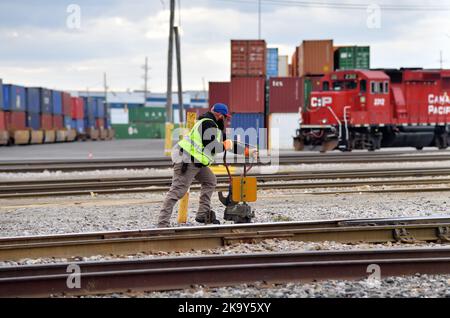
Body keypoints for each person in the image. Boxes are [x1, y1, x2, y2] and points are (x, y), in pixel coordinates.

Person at [157, 103, 258, 228]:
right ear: (219, 115)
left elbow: (229, 143)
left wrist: (248, 151)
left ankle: (202, 214)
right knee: (177, 191)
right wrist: (224, 146)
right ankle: (162, 223)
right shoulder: (207, 124)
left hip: (196, 161)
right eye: (224, 116)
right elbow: (212, 146)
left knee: (210, 180)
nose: (224, 119)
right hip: (187, 159)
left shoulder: (213, 127)